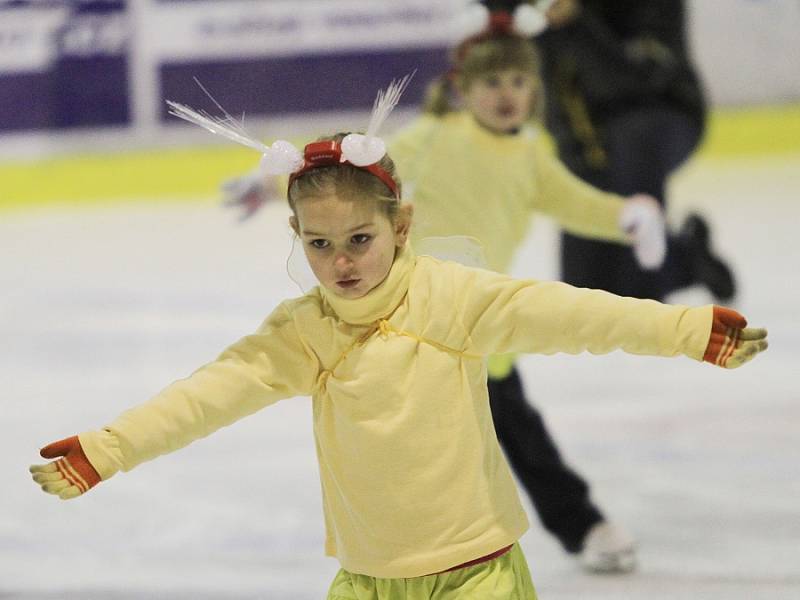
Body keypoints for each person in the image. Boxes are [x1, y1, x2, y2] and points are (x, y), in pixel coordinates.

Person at [30, 83, 767, 600]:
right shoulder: (304, 333)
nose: (341, 261)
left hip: (476, 575)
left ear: (401, 227)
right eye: (320, 244)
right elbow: (206, 397)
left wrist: (688, 328)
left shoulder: (453, 298)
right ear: (297, 238)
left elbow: (574, 315)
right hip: (366, 582)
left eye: (360, 238)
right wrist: (108, 448)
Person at [221, 4, 669, 573]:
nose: (506, 94)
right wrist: (269, 186)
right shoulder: (434, 137)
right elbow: (351, 172)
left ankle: (580, 526)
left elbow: (574, 203)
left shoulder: (531, 152)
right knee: (443, 436)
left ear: (535, 88)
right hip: (412, 312)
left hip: (480, 321)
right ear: (462, 88)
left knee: (515, 431)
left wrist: (627, 215)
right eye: (491, 82)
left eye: (518, 81)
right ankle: (419, 542)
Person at [535, 0, 736, 302]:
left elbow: (636, 79)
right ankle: (686, 259)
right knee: (585, 290)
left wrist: (577, 21)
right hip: (587, 136)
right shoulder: (545, 11)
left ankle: (654, 270)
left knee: (639, 290)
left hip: (662, 114)